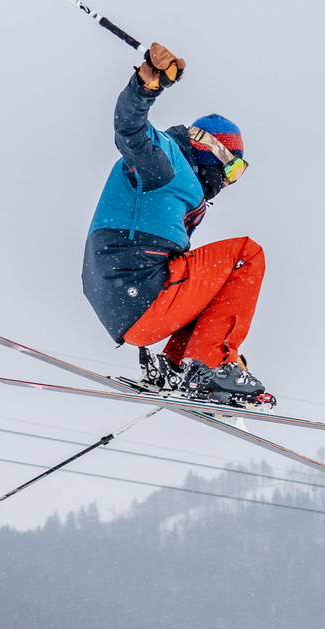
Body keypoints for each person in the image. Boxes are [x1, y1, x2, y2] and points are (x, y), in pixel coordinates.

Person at [81, 43, 270, 405]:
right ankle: (206, 365)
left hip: (124, 298)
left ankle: (182, 365)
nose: (229, 181)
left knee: (216, 279)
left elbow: (198, 288)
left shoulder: (183, 191)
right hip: (135, 290)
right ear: (212, 153)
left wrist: (226, 346)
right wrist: (145, 85)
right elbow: (130, 131)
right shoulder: (165, 162)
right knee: (247, 255)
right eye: (232, 168)